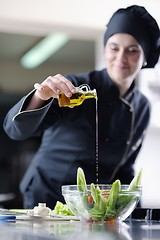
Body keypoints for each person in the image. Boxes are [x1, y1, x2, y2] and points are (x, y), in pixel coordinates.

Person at [3, 5, 160, 209]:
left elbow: (125, 169)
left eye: (132, 50)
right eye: (114, 47)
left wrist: (131, 212)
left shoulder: (142, 106)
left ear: (145, 57)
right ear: (105, 50)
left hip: (93, 208)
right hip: (46, 200)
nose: (121, 57)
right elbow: (15, 130)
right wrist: (41, 96)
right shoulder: (75, 88)